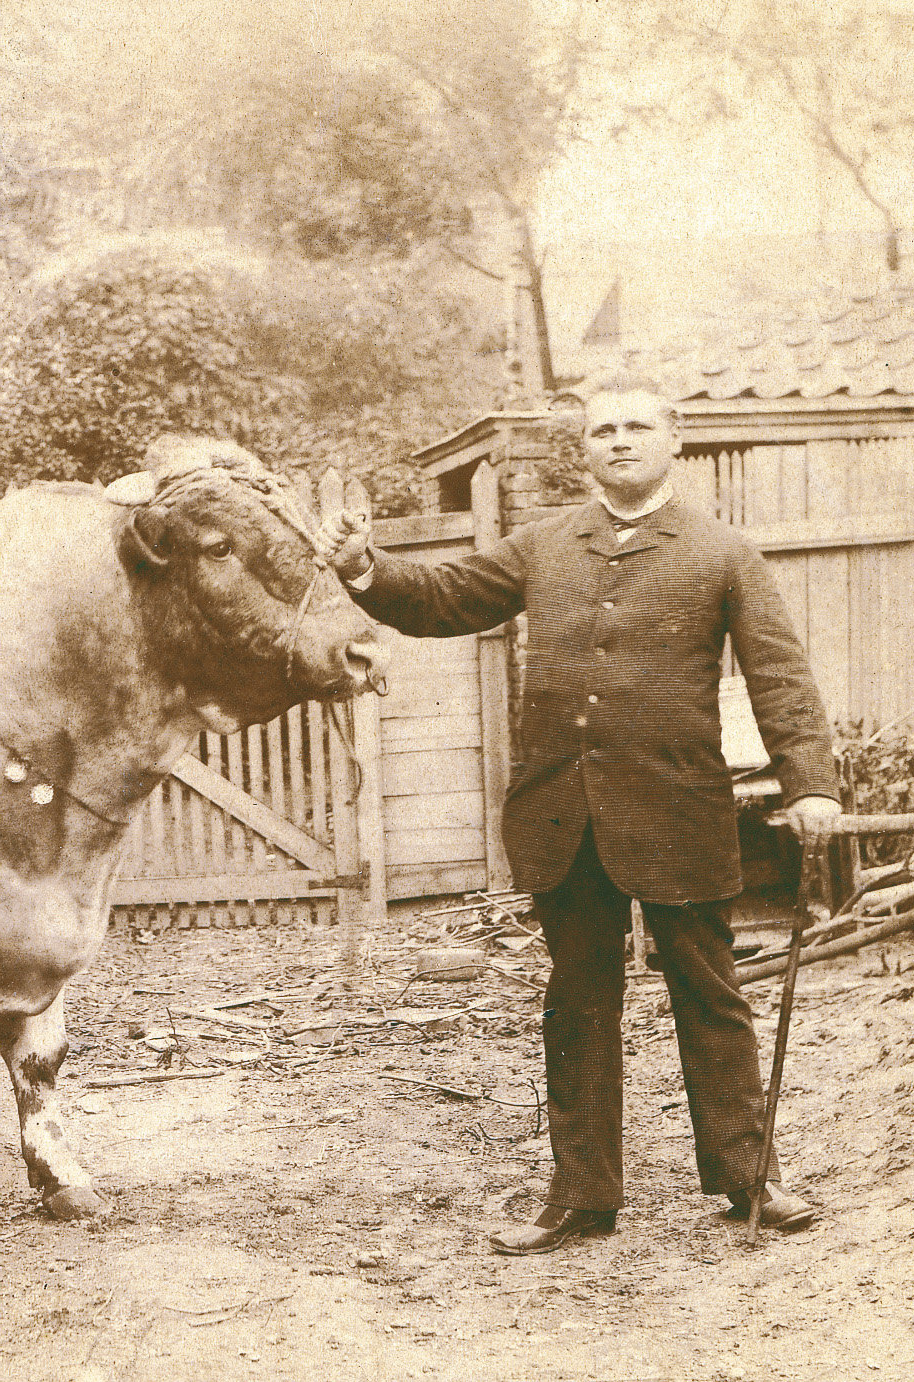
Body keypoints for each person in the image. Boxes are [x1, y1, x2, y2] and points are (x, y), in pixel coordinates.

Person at [316, 378, 843, 1255]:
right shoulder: (543, 544)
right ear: (584, 449)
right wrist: (366, 569)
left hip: (678, 812)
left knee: (709, 996)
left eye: (638, 425)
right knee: (577, 1002)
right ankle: (580, 1194)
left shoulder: (721, 553)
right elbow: (444, 596)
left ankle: (749, 1176)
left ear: (674, 439)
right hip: (563, 816)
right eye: (603, 430)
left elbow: (778, 675)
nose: (619, 441)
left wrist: (811, 785)